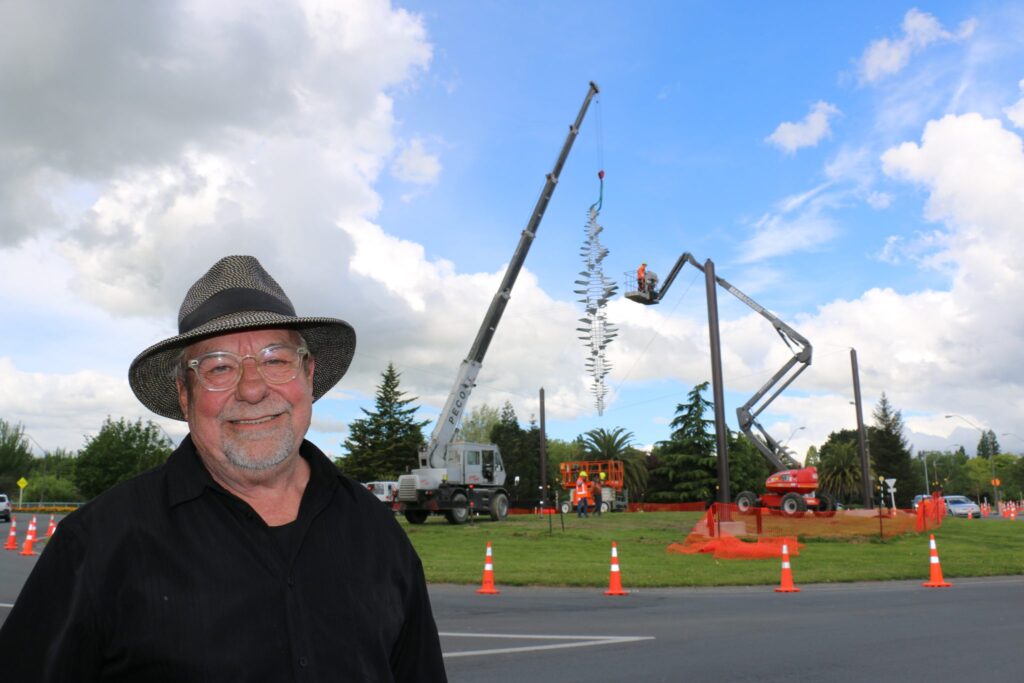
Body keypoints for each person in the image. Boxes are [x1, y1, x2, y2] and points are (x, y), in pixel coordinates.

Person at [0, 255, 447, 681]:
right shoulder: (99, 546)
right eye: (218, 367)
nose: (252, 388)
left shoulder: (376, 532)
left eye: (275, 359)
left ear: (308, 375)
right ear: (184, 393)